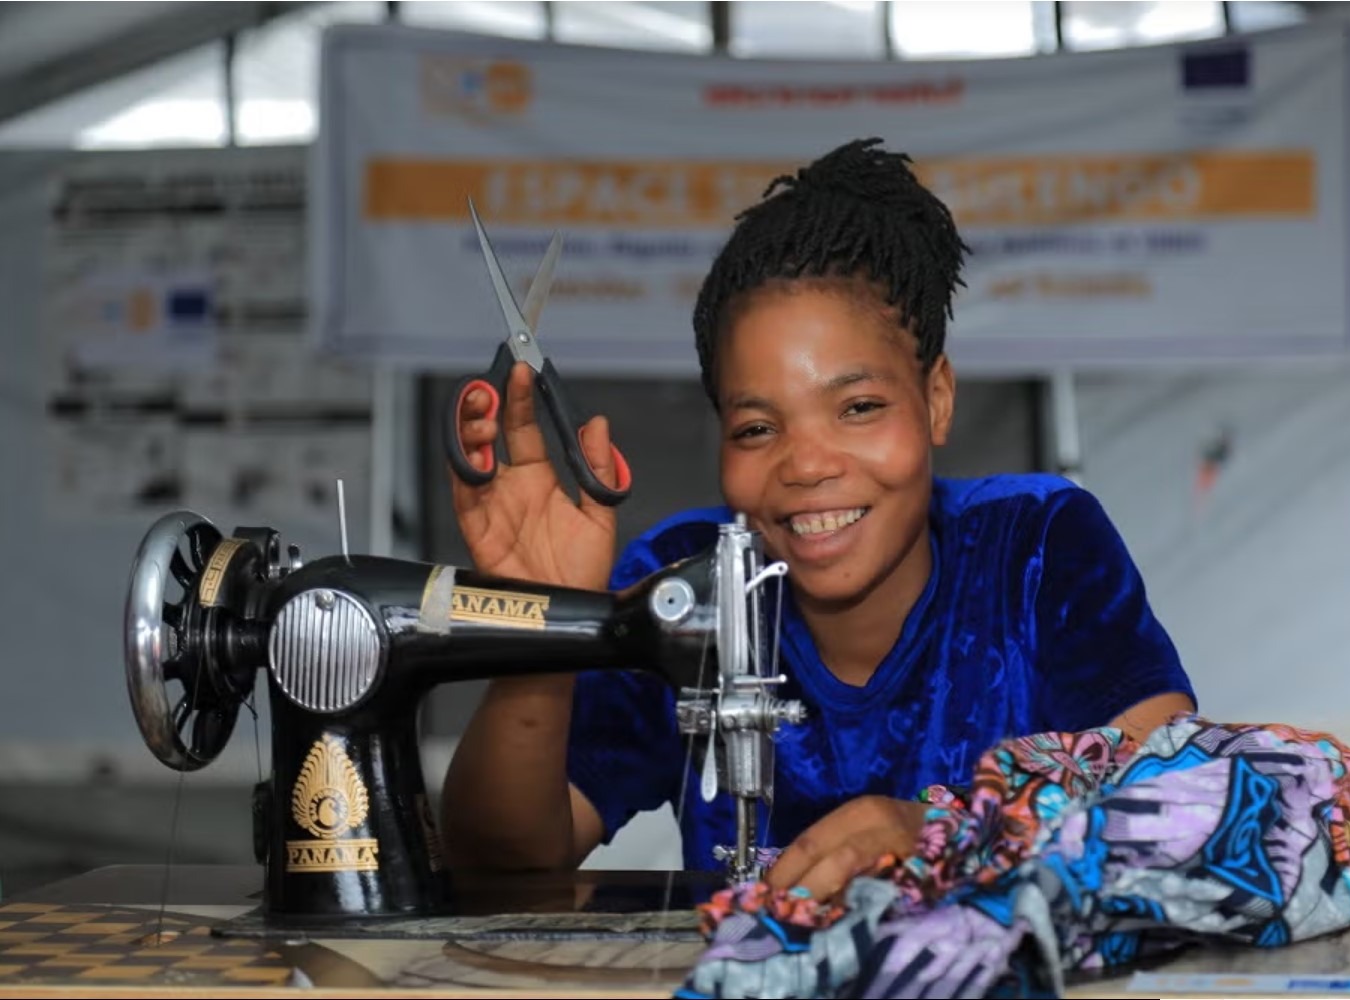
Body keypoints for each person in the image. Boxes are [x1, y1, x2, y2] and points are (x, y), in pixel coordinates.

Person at [440, 137, 1196, 902]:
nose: (805, 465)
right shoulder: (680, 587)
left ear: (936, 397)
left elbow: (1180, 811)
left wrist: (946, 837)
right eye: (757, 429)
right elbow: (501, 862)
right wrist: (537, 640)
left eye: (859, 408)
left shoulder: (1036, 547)